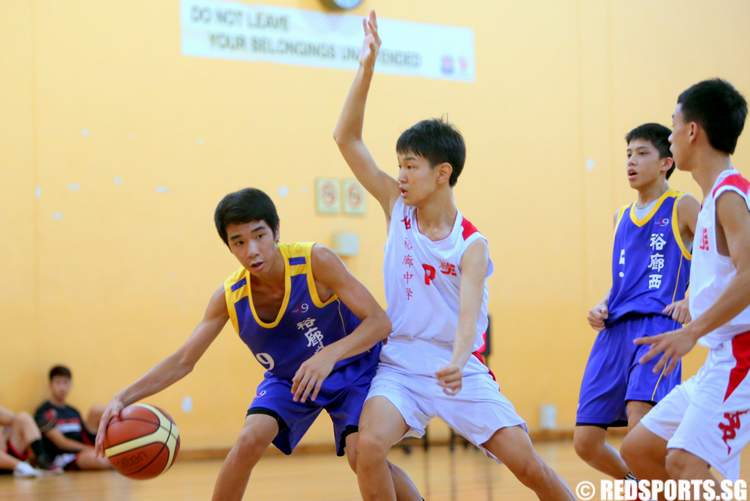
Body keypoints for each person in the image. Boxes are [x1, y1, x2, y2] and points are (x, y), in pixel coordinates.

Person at [333, 11, 574, 501]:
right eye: (399, 164)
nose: (400, 174)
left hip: (457, 368)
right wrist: (366, 67)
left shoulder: (472, 245)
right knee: (368, 447)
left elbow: (469, 319)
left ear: (442, 172)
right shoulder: (395, 207)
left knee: (527, 465)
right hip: (400, 365)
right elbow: (347, 139)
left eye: (410, 166)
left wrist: (461, 361)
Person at [94, 188, 421, 501]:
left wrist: (328, 355)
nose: (251, 249)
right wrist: (123, 398)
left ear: (276, 231)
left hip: (353, 367)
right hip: (290, 379)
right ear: (230, 247)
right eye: (239, 241)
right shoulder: (230, 297)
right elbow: (184, 360)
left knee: (360, 453)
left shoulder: (315, 261)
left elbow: (380, 322)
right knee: (249, 439)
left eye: (259, 235)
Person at [621, 78, 750, 482]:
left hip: (742, 358)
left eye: (673, 123)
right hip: (720, 358)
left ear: (692, 130)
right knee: (639, 450)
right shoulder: (712, 198)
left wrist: (690, 331)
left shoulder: (731, 194)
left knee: (681, 461)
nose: (670, 133)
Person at [574, 123, 699, 479]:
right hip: (614, 331)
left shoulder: (683, 205)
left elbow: (716, 258)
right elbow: (623, 284)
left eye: (642, 153)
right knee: (585, 442)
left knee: (638, 426)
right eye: (628, 154)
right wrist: (601, 304)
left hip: (657, 325)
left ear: (666, 162)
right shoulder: (620, 217)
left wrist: (691, 297)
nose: (631, 161)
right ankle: (643, 485)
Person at [34, 365, 111, 471]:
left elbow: (84, 434)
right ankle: (123, 464)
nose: (62, 387)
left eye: (65, 382)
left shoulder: (73, 411)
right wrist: (90, 449)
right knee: (97, 459)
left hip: (84, 449)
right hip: (63, 457)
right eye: (58, 382)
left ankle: (125, 440)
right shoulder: (43, 411)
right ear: (50, 385)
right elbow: (61, 443)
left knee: (97, 410)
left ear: (70, 385)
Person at [0, 405, 55, 477]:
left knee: (23, 417)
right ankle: (23, 467)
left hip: (8, 453)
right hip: (6, 462)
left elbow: (13, 418)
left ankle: (42, 459)